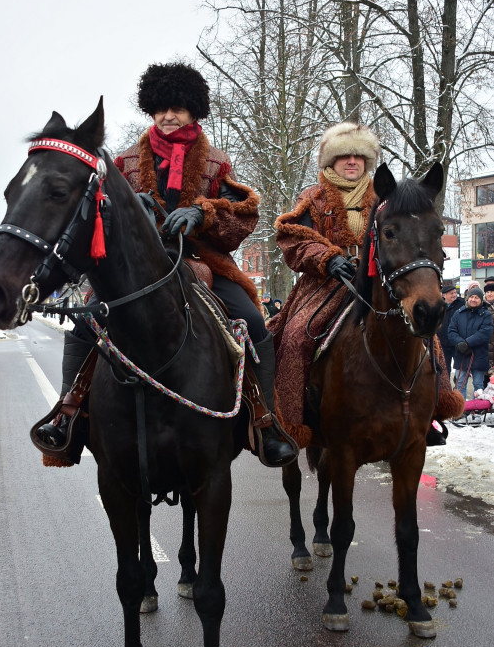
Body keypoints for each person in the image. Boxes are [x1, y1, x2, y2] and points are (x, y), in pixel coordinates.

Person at [36, 62, 297, 467]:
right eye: (160, 108)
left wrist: (203, 213)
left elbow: (243, 217)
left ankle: (264, 420)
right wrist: (126, 210)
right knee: (85, 320)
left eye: (176, 108)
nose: (168, 116)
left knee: (253, 319)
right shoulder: (122, 162)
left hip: (198, 260)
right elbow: (97, 215)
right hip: (130, 267)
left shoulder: (217, 162)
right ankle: (67, 414)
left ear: (193, 110)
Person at [268, 121, 464, 447]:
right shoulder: (312, 198)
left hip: (377, 279)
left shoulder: (385, 197)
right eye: (344, 156)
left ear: (367, 162)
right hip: (325, 282)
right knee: (295, 335)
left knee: (424, 329)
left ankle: (431, 409)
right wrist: (328, 257)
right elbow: (293, 238)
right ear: (330, 161)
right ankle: (291, 421)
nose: (351, 162)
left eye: (358, 157)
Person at [448, 287, 493, 400]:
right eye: (471, 297)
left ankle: (477, 409)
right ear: (467, 298)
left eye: (476, 297)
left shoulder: (486, 314)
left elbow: (485, 332)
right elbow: (451, 331)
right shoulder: (459, 313)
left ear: (481, 300)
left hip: (479, 355)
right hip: (461, 354)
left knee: (478, 385)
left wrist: (467, 343)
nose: (473, 299)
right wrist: (459, 343)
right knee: (460, 384)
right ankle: (461, 409)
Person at [437, 284, 465, 375]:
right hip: (443, 342)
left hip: (457, 342)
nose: (454, 295)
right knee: (445, 367)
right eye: (451, 293)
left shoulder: (461, 304)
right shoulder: (439, 306)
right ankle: (447, 387)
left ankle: (458, 387)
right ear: (444, 295)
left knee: (459, 367)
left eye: (455, 292)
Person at [483, 278, 494, 376]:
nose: (489, 294)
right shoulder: (481, 306)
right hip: (484, 346)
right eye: (487, 292)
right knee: (485, 377)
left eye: (492, 291)